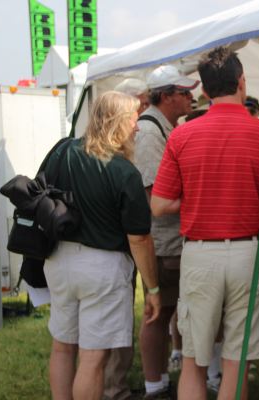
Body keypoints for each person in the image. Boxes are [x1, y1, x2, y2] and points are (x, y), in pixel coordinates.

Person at [151, 47, 259, 400]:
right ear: (242, 81)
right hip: (250, 252)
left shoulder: (181, 135)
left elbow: (159, 204)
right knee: (236, 361)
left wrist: (199, 196)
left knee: (193, 360)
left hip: (200, 253)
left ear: (203, 90)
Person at [44, 91, 161, 400]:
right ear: (118, 122)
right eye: (134, 119)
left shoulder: (62, 151)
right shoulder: (124, 172)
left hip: (59, 260)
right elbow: (139, 238)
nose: (137, 127)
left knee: (62, 346)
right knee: (93, 357)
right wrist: (153, 288)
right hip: (102, 268)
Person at [135, 64, 199, 399]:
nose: (191, 98)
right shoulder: (149, 132)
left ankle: (159, 381)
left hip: (170, 239)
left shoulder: (163, 127)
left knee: (167, 312)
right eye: (185, 92)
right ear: (168, 96)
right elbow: (154, 198)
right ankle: (155, 385)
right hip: (163, 242)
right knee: (158, 314)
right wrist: (201, 199)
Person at [104, 77, 151, 400]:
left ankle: (110, 385)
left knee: (85, 340)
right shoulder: (121, 166)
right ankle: (114, 389)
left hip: (82, 259)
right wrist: (154, 288)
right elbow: (138, 235)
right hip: (113, 255)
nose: (140, 120)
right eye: (140, 107)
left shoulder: (77, 152)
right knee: (111, 332)